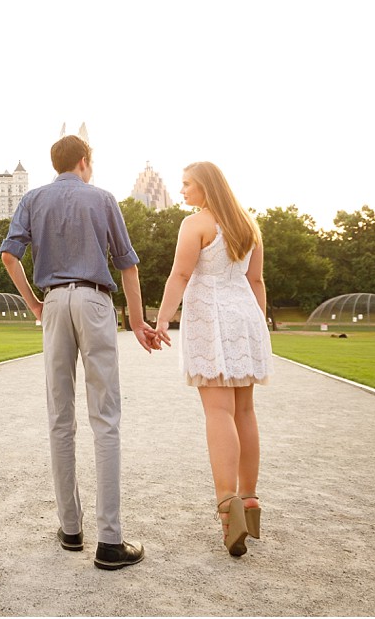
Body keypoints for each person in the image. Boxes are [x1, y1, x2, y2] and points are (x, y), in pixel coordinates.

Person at [0, 134, 161, 571]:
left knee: (60, 416)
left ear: (57, 164)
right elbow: (127, 264)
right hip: (93, 300)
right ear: (85, 162)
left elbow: (9, 256)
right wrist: (139, 321)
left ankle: (70, 529)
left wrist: (35, 303)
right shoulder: (103, 198)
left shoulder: (33, 199)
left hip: (53, 301)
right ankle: (110, 541)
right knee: (105, 418)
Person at [150, 161, 273, 557]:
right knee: (245, 412)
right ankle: (249, 500)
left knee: (218, 412)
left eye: (187, 184)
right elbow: (256, 281)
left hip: (210, 317)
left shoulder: (196, 224)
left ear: (205, 186)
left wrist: (163, 319)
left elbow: (180, 275)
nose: (182, 190)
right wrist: (260, 328)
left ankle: (227, 507)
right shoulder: (248, 225)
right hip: (245, 317)